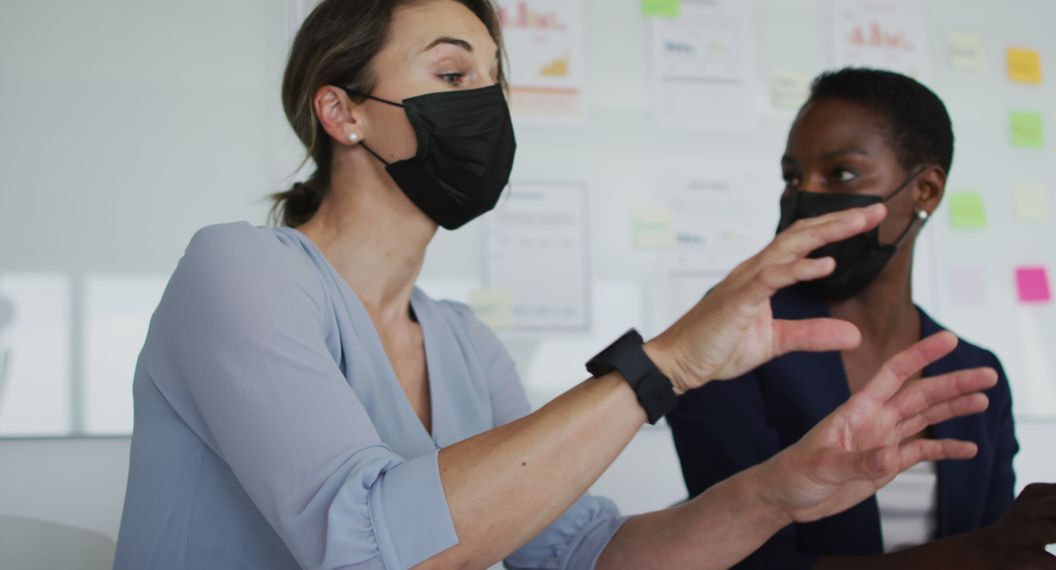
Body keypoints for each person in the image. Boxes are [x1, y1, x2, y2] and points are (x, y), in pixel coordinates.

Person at [112, 4, 1004, 569]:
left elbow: (589, 555)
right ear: (342, 112)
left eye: (495, 85)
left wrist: (783, 488)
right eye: (454, 76)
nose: (485, 109)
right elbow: (370, 547)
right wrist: (663, 367)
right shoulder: (238, 270)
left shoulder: (463, 341)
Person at [668, 67, 1056, 569]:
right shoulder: (735, 346)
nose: (805, 198)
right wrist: (975, 553)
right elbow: (740, 562)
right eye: (793, 178)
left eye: (841, 174)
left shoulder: (976, 375)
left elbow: (997, 551)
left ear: (925, 190)